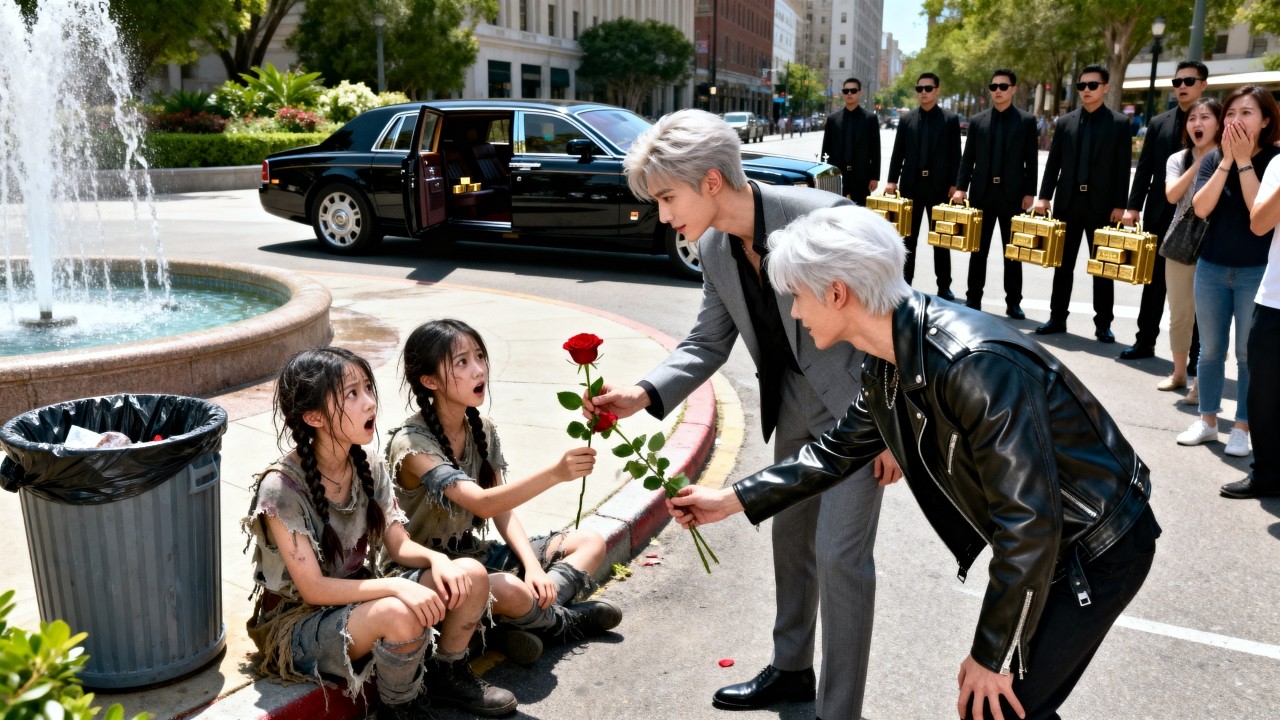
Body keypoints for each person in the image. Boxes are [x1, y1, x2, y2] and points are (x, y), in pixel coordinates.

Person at [668, 205, 1161, 720]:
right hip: (1051, 545)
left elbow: (1030, 524)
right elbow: (836, 452)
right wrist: (728, 501)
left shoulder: (973, 366)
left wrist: (993, 656)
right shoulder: (890, 358)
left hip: (1096, 546)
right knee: (1011, 709)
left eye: (797, 297)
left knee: (995, 707)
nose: (793, 313)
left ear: (838, 294)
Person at [590, 108, 900, 720]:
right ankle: (791, 672)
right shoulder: (711, 247)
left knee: (840, 556)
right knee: (790, 540)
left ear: (710, 181)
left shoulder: (825, 218)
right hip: (791, 406)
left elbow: (891, 319)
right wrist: (644, 394)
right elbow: (709, 341)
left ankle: (840, 712)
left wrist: (892, 425)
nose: (663, 215)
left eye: (667, 197)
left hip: (860, 413)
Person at [243, 347, 517, 720]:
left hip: (355, 603)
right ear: (313, 416)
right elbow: (314, 590)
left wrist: (438, 560)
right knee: (397, 612)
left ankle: (446, 672)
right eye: (352, 394)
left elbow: (399, 545)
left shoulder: (367, 463)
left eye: (368, 388)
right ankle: (399, 708)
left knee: (468, 573)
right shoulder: (281, 488)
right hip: (298, 624)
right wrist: (396, 586)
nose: (370, 402)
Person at [384, 319, 621, 667]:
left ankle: (511, 621)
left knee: (589, 542)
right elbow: (482, 502)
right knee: (509, 589)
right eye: (462, 362)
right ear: (429, 381)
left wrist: (532, 566)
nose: (479, 369)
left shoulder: (481, 428)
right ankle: (561, 624)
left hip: (475, 556)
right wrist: (556, 474)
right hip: (426, 574)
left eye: (479, 356)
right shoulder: (412, 444)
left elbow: (501, 510)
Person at [1178, 85, 1280, 459]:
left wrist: (1244, 161)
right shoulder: (1212, 159)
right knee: (1209, 351)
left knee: (1246, 353)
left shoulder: (1274, 160)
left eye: (1248, 113)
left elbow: (1260, 218)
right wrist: (1225, 161)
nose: (1237, 120)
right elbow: (1201, 208)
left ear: (1266, 119)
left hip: (1256, 272)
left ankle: (1242, 427)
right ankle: (1207, 421)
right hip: (1211, 267)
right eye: (1232, 113)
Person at [1033, 65, 1131, 342]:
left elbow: (1122, 169)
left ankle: (1103, 323)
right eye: (1081, 86)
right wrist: (1044, 196)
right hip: (1067, 203)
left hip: (1102, 207)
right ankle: (1057, 317)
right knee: (1062, 266)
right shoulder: (1064, 123)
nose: (1085, 90)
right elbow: (1053, 165)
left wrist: (1120, 205)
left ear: (1105, 88)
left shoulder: (1119, 124)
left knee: (1103, 267)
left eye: (1092, 85)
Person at [1120, 61, 1210, 361]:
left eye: (1188, 80)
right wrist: (1133, 207)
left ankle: (1196, 354)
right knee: (1153, 283)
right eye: (1177, 81)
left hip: (1202, 218)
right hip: (1160, 214)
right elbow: (1144, 169)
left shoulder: (1214, 122)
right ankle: (1144, 341)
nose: (1181, 86)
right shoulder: (1159, 123)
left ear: (1203, 85)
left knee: (1198, 288)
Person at [953, 68, 1039, 318]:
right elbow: (967, 158)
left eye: (1003, 87)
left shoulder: (1025, 121)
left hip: (1013, 195)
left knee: (1013, 252)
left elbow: (1031, 161)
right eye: (994, 87)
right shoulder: (978, 121)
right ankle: (973, 299)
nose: (998, 91)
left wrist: (1030, 192)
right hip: (982, 193)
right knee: (977, 251)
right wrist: (960, 188)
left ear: (1013, 89)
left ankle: (1013, 302)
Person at [1160, 98, 1220, 403]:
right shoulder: (1178, 159)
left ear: (1220, 123)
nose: (1197, 123)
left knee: (1209, 319)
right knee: (1180, 314)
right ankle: (1179, 372)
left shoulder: (1230, 159)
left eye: (1205, 117)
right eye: (1192, 118)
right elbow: (1172, 195)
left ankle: (1201, 382)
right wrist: (1200, 162)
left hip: (1217, 244)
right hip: (1182, 244)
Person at [885, 72, 962, 300]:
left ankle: (944, 286)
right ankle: (905, 283)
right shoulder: (907, 120)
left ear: (937, 90)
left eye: (928, 88)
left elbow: (956, 155)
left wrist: (955, 184)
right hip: (911, 186)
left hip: (939, 188)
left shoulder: (950, 119)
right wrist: (891, 180)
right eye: (920, 89)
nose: (924, 93)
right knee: (907, 239)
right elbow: (898, 153)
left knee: (941, 240)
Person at [1235, 132, 1280, 499]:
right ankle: (1265, 473)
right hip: (1274, 298)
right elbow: (1259, 224)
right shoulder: (1278, 165)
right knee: (1263, 393)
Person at [822, 77, 881, 206]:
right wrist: (823, 174)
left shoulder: (870, 119)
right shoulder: (832, 119)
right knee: (835, 213)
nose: (849, 93)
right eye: (846, 91)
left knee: (859, 215)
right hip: (836, 176)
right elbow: (826, 149)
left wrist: (875, 177)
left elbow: (875, 150)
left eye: (853, 90)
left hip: (861, 176)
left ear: (860, 93)